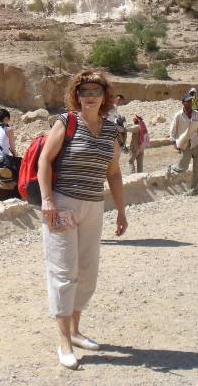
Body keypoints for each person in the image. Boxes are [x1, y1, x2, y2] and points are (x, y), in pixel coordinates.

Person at [37, 70, 128, 369]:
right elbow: (44, 160)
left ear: (105, 97)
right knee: (64, 271)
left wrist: (121, 210)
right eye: (84, 91)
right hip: (62, 205)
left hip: (93, 206)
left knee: (87, 271)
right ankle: (63, 341)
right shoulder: (67, 122)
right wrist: (47, 199)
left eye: (95, 91)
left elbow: (113, 173)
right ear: (76, 96)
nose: (90, 96)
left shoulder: (111, 130)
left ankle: (75, 331)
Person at [167, 94, 198, 196]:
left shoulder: (196, 114)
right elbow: (173, 129)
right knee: (182, 168)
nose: (190, 103)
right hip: (185, 144)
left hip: (196, 142)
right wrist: (173, 141)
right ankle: (171, 167)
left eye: (190, 101)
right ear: (183, 103)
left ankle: (194, 190)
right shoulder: (178, 115)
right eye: (187, 101)